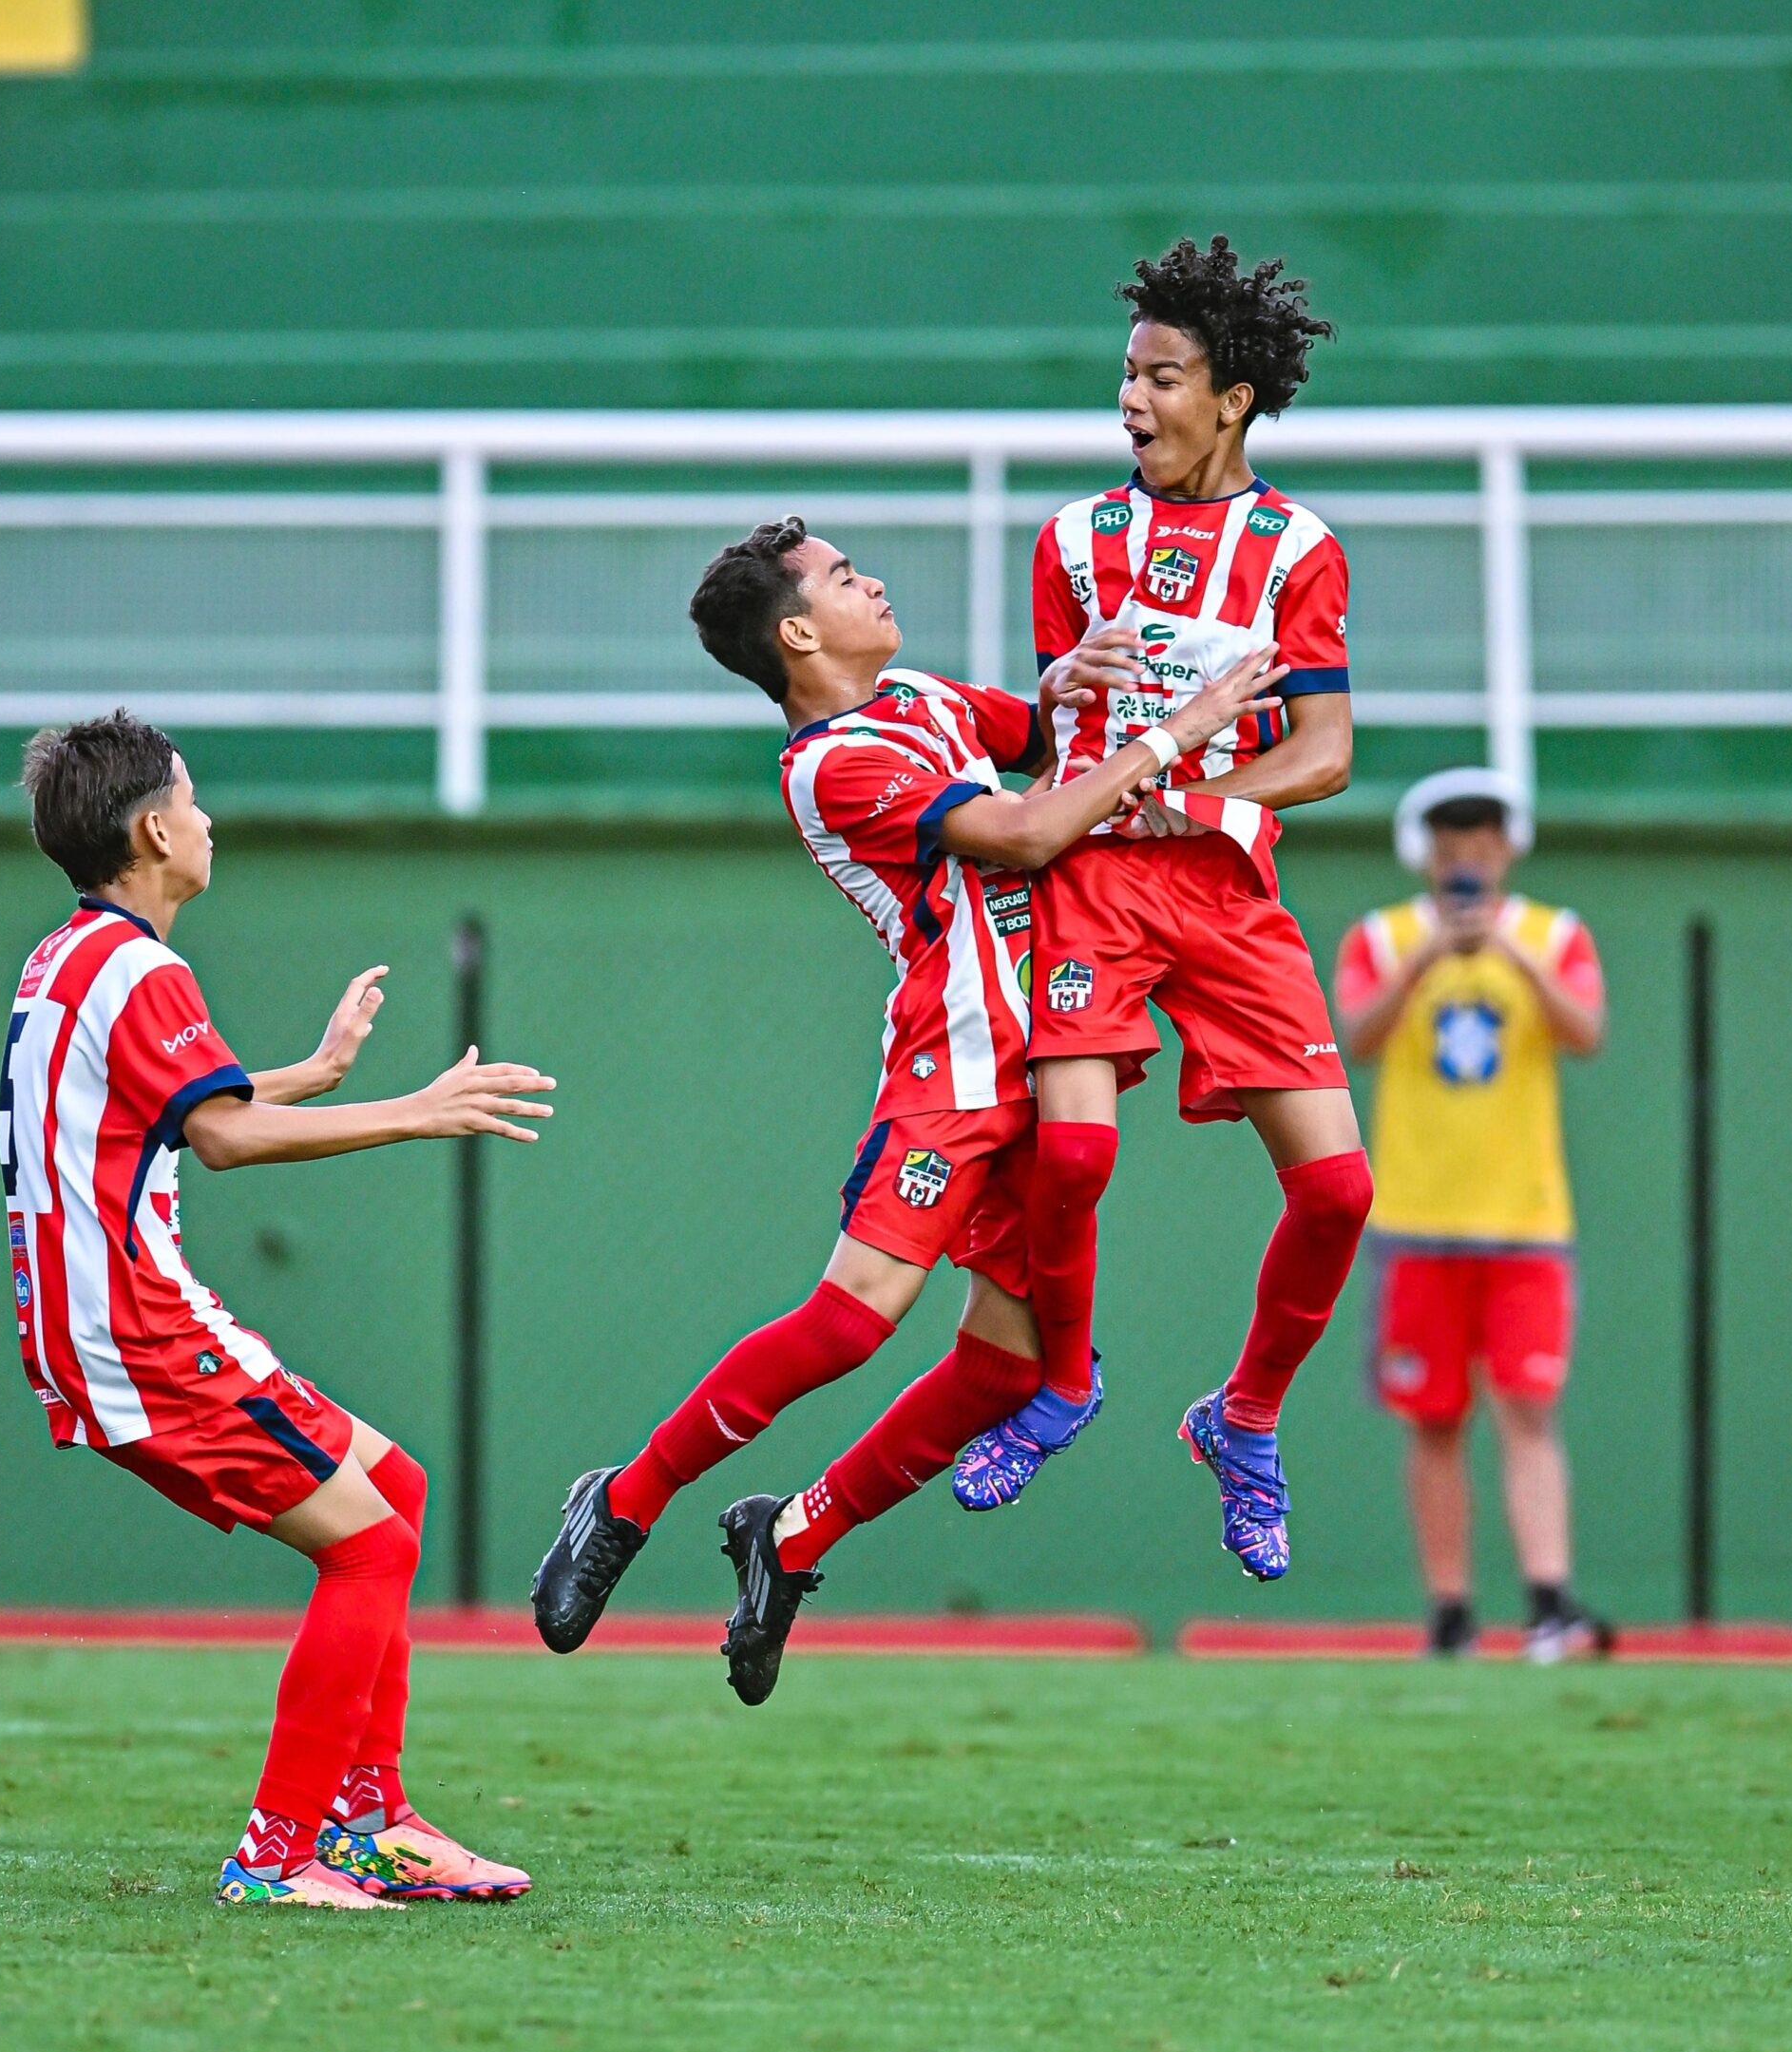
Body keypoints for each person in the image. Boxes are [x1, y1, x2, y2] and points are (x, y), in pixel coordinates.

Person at [530, 518, 1283, 1701]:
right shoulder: (828, 763)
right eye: (840, 576)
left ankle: (790, 1541)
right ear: (795, 633)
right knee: (849, 1321)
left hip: (1053, 1053)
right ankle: (620, 1505)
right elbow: (1031, 829)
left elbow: (1042, 741)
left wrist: (1064, 684)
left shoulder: (923, 696)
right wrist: (1181, 734)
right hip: (954, 1064)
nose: (870, 581)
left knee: (997, 1373)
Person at [3, 712, 554, 1906]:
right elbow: (224, 1135)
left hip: (113, 1316)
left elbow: (189, 1103)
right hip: (132, 1328)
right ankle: (280, 1852)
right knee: (372, 1543)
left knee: (390, 1491)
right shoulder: (138, 966)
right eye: (194, 801)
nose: (209, 821)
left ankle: (372, 1819)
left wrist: (317, 1070)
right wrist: (414, 1109)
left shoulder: (74, 956)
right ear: (155, 829)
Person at [951, 235, 1371, 1586]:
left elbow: (1327, 751)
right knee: (1070, 1161)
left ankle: (1241, 1421)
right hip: (1093, 880)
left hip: (1227, 882)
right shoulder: (1075, 539)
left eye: (1163, 376)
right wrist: (1064, 683)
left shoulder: (1297, 548)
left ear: (1233, 396)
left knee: (1341, 1192)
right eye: (1127, 374)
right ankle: (1061, 1385)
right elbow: (1046, 729)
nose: (1133, 399)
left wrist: (1204, 795)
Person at [1333, 766, 1611, 1662]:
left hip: (1525, 1220)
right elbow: (1358, 1039)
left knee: (1529, 1410)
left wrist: (1509, 955)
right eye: (1454, 849)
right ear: (1428, 856)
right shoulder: (1382, 937)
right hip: (1418, 1219)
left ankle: (1549, 1601)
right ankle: (1450, 1611)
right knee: (1433, 1420)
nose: (1470, 864)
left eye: (1484, 847)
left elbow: (1585, 1032)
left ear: (1506, 852)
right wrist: (1427, 959)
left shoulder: (1554, 934)